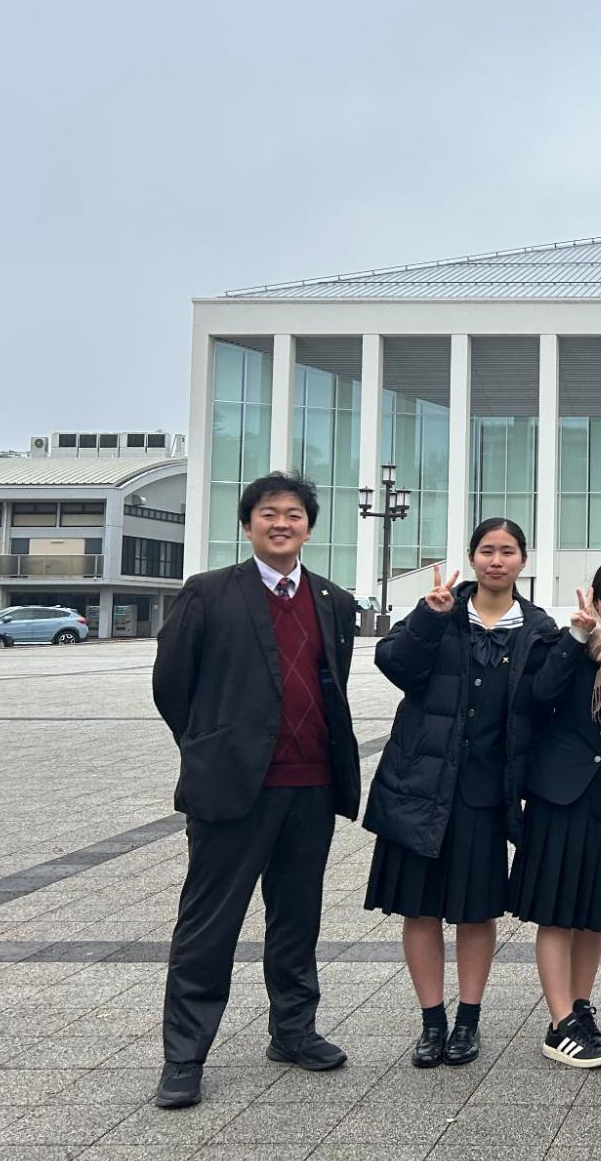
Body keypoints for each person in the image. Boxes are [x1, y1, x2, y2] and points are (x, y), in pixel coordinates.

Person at [151, 471, 363, 1109]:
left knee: (297, 917)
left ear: (309, 527)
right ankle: (184, 1056)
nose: (281, 524)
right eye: (268, 513)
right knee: (209, 922)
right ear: (247, 525)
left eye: (293, 514)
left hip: (312, 785)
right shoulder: (208, 593)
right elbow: (171, 686)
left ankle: (293, 1030)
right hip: (234, 788)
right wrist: (209, 747)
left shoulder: (331, 600)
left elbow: (330, 683)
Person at [363, 518, 556, 1070]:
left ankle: (468, 1020)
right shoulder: (441, 613)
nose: (497, 560)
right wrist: (428, 616)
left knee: (476, 912)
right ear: (472, 557)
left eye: (508, 551)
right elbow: (392, 663)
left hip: (484, 794)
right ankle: (432, 1021)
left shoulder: (537, 630)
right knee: (419, 909)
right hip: (420, 786)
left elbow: (547, 704)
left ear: (523, 560)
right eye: (487, 550)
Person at [509, 558, 601, 1068]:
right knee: (556, 910)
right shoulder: (569, 643)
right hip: (560, 794)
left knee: (594, 914)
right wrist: (575, 637)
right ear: (594, 598)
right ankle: (558, 1023)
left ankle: (579, 1007)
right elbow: (539, 695)